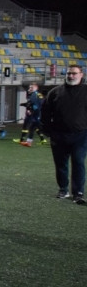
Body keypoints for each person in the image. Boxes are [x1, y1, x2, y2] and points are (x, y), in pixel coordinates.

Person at [40, 65, 87, 204]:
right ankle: (63, 189)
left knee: (78, 162)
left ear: (81, 74)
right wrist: (48, 131)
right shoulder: (55, 92)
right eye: (68, 73)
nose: (71, 76)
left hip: (81, 134)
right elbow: (45, 112)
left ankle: (78, 193)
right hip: (59, 135)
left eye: (74, 73)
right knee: (60, 164)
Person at [17, 82, 45, 147]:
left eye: (32, 87)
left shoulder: (34, 95)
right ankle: (29, 142)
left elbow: (35, 105)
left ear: (36, 88)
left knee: (42, 127)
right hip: (36, 114)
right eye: (30, 87)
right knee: (32, 127)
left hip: (37, 114)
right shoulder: (38, 94)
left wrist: (31, 110)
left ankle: (56, 139)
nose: (30, 89)